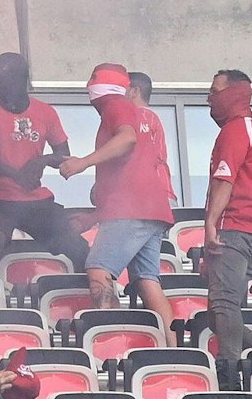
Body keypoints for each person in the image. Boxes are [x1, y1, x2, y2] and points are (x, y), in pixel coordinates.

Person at [60, 63, 174, 334]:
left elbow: (127, 139)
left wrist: (83, 163)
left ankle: (111, 336)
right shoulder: (142, 116)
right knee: (148, 282)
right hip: (152, 209)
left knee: (99, 270)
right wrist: (94, 216)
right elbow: (130, 173)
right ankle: (176, 346)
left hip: (132, 211)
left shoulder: (117, 104)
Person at [0, 52, 88, 274]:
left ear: (23, 79)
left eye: (5, 80)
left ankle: (87, 296)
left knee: (77, 247)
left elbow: (63, 155)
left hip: (34, 198)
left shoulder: (45, 111)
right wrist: (17, 175)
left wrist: (41, 161)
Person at [204, 69, 252, 385]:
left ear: (234, 93)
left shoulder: (236, 129)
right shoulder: (251, 130)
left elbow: (225, 179)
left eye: (214, 90)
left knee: (224, 304)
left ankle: (229, 374)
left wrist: (209, 224)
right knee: (216, 311)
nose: (208, 97)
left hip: (235, 226)